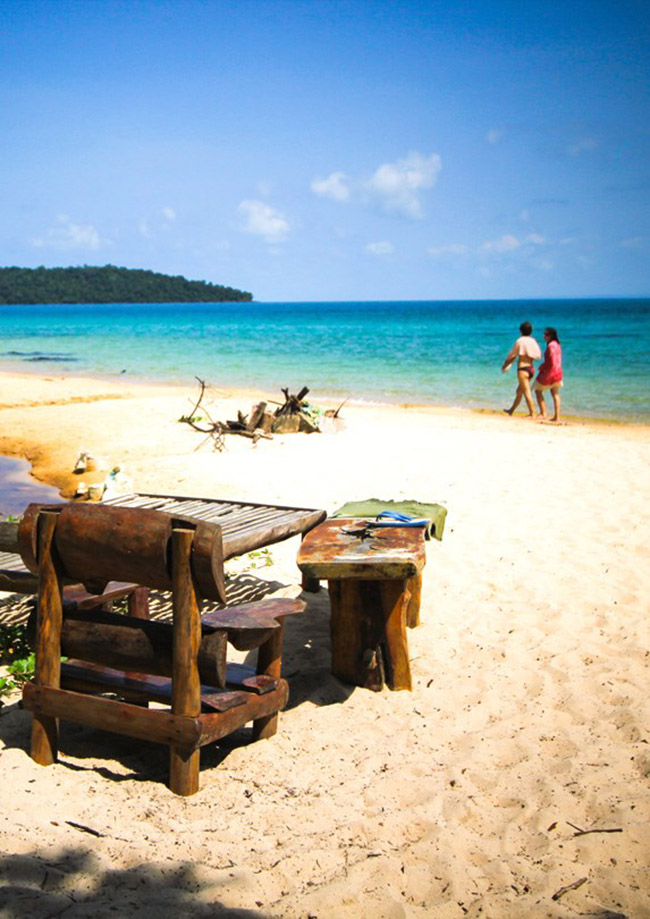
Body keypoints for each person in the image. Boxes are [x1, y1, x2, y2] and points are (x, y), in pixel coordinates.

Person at [501, 321, 542, 416]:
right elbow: (538, 355)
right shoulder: (533, 341)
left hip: (523, 369)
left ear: (521, 331)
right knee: (519, 391)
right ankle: (511, 410)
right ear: (531, 331)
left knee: (526, 391)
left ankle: (532, 413)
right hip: (531, 368)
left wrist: (505, 365)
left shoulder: (520, 341)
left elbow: (512, 356)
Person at [534, 327, 563, 422]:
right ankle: (557, 417)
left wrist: (543, 366)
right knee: (555, 394)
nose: (544, 337)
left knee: (537, 390)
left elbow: (551, 360)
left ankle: (543, 413)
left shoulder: (551, 346)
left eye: (546, 335)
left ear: (551, 336)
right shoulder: (558, 345)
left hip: (550, 371)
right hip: (558, 371)